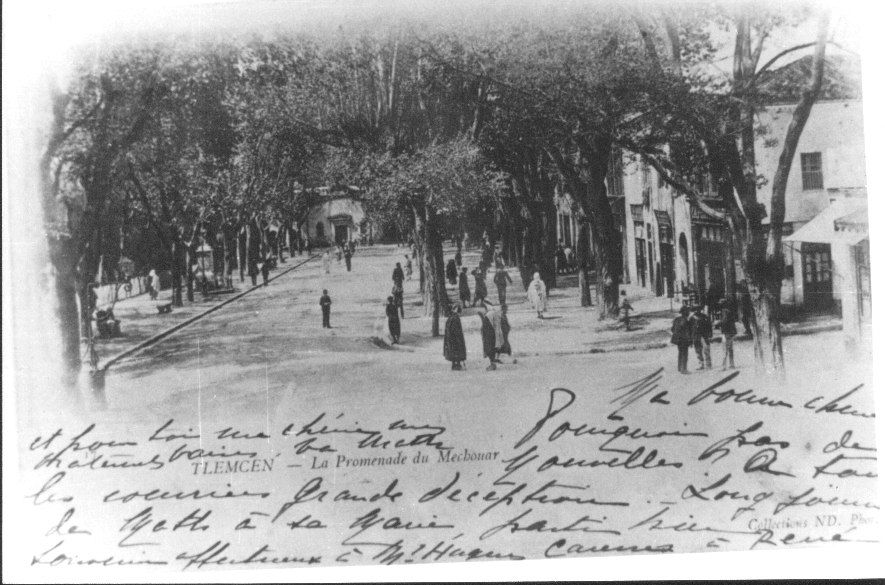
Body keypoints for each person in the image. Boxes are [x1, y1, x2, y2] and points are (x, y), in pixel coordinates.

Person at [716, 299, 738, 370]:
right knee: (730, 349)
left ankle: (723, 366)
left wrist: (718, 323)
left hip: (726, 332)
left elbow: (725, 321)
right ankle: (732, 364)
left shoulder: (725, 311)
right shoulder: (730, 310)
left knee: (724, 349)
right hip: (731, 332)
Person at [443, 303, 467, 370]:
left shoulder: (450, 317)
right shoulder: (456, 317)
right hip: (456, 337)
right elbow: (457, 330)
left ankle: (454, 364)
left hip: (450, 338)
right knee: (457, 350)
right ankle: (458, 364)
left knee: (452, 350)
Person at [671, 305, 693, 374]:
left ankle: (680, 368)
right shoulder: (686, 320)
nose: (689, 312)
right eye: (688, 311)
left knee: (680, 353)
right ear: (685, 312)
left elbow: (672, 329)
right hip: (684, 339)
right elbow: (687, 332)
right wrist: (690, 341)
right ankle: (684, 369)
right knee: (684, 354)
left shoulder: (677, 319)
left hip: (677, 339)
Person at [690, 305, 713, 370]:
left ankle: (708, 365)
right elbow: (689, 328)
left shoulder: (705, 317)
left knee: (706, 350)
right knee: (698, 350)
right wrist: (690, 338)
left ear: (700, 310)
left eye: (698, 309)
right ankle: (701, 364)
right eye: (695, 309)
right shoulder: (692, 318)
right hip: (695, 336)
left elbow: (709, 327)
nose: (696, 311)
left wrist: (710, 335)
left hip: (704, 336)